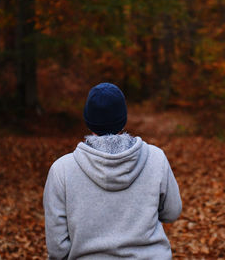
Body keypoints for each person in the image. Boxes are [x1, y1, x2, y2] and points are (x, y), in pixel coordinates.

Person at [43, 83, 182, 259]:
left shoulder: (62, 170)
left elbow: (57, 248)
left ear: (88, 119)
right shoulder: (156, 158)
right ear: (123, 118)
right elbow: (172, 212)